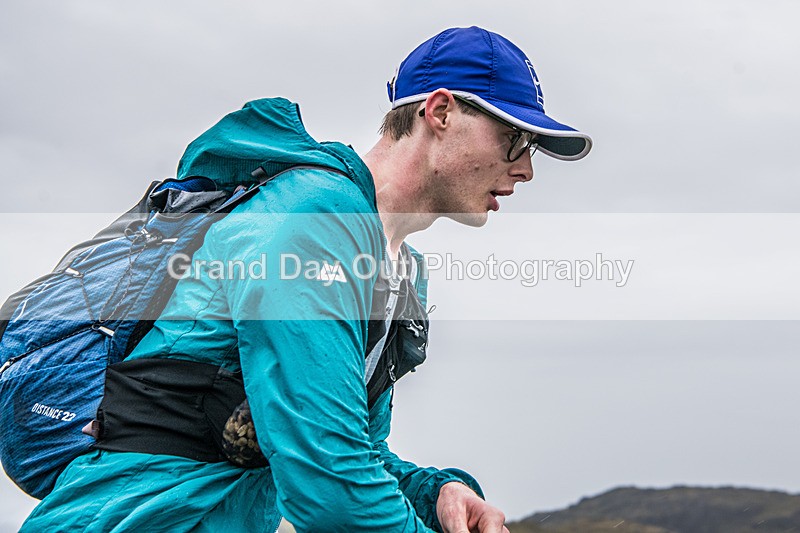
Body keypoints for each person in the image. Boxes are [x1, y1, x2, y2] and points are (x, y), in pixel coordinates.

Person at [20, 26, 591, 532]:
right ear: (439, 113)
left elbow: (355, 448)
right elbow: (329, 484)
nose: (527, 168)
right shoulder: (315, 221)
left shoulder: (397, 271)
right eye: (514, 138)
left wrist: (435, 492)